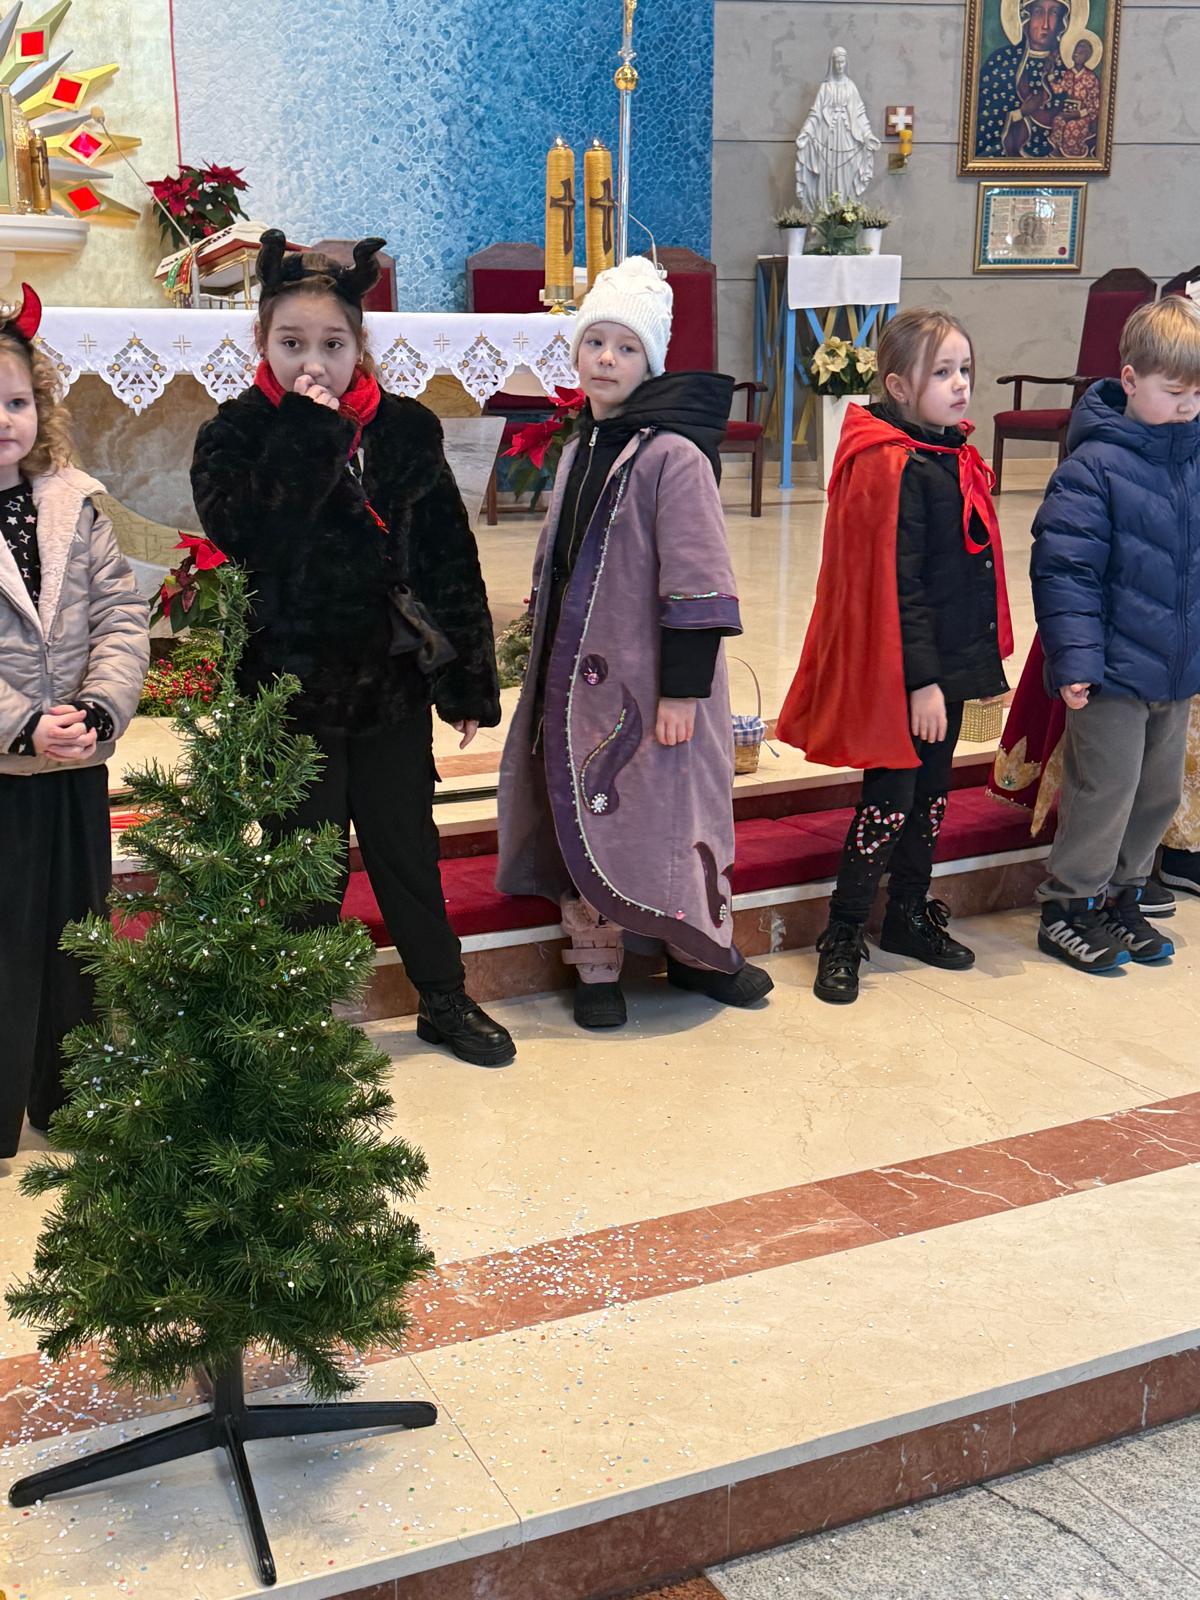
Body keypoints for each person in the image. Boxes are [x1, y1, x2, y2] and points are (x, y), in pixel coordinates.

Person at [191, 233, 515, 1067]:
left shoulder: (405, 430)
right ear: (261, 341)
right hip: (290, 686)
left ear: (360, 343)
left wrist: (469, 680)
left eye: (333, 345)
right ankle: (295, 1013)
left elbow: (447, 557)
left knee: (407, 848)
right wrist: (308, 430)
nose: (315, 363)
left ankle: (442, 997)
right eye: (292, 343)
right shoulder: (236, 433)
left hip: (389, 682)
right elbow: (248, 534)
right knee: (306, 857)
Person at [496, 255, 773, 1029]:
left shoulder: (672, 455)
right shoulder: (581, 445)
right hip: (581, 684)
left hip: (655, 684)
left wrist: (683, 689)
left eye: (625, 347)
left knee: (673, 813)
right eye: (595, 343)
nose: (607, 359)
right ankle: (597, 961)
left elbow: (699, 580)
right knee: (586, 809)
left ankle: (694, 950)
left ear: (649, 362)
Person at [776, 308, 1012, 1005]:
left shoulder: (946, 454)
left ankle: (908, 912)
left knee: (932, 796)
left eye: (965, 369)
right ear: (899, 386)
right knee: (890, 798)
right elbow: (897, 587)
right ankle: (844, 928)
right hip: (907, 674)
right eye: (942, 373)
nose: (961, 384)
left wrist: (965, 669)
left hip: (947, 663)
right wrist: (923, 682)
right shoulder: (894, 464)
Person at [0, 283, 150, 1157]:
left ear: (41, 409)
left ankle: (70, 1096)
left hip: (76, 765)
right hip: (6, 769)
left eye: (16, 402)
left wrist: (98, 708)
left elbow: (122, 617)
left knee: (76, 938)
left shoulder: (73, 503)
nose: (4, 420)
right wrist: (22, 725)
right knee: (6, 942)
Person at [1030, 295, 1200, 971]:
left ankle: (1124, 896)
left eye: (1198, 396)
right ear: (1130, 379)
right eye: (1175, 393)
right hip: (1111, 672)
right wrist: (1075, 659)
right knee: (1105, 789)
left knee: (1158, 791)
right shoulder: (1092, 468)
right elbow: (1065, 570)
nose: (1188, 408)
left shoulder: (1193, 461)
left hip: (1174, 670)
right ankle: (1069, 906)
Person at [974, 0, 1072, 160]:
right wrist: (1020, 113)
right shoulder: (1001, 61)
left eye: (1054, 13)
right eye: (1038, 12)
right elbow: (981, 119)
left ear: (1063, 21)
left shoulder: (1067, 70)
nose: (1045, 25)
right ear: (1026, 17)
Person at [794, 46, 880, 215]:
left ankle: (845, 216)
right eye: (837, 62)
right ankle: (825, 217)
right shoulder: (825, 88)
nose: (840, 66)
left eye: (842, 62)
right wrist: (806, 132)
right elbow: (815, 113)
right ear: (832, 64)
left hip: (847, 138)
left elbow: (860, 114)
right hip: (828, 138)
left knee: (847, 175)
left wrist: (868, 135)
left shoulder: (851, 87)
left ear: (846, 63)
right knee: (828, 175)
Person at [1047, 36, 1102, 159]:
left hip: (1083, 115)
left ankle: (1073, 155)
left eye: (1081, 52)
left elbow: (1094, 106)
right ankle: (1058, 151)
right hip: (1068, 111)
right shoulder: (1068, 74)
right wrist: (1050, 74)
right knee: (1057, 120)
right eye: (1076, 50)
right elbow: (1059, 89)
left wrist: (1078, 114)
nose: (1077, 54)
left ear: (1087, 57)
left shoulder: (1091, 77)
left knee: (1072, 126)